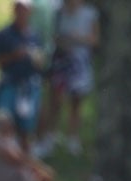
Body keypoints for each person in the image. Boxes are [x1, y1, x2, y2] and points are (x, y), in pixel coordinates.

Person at [0, 0, 44, 150]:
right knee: (4, 123)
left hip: (29, 87)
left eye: (24, 9)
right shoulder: (3, 34)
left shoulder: (35, 35)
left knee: (26, 127)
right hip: (9, 84)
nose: (22, 13)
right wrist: (13, 56)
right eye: (19, 9)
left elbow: (41, 63)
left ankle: (24, 161)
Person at [44, 0, 97, 155]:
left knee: (76, 103)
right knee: (55, 100)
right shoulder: (57, 11)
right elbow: (51, 34)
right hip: (61, 60)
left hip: (79, 63)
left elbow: (95, 39)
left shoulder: (89, 13)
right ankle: (49, 137)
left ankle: (73, 138)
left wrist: (77, 38)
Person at [0, 108, 55, 181]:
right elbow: (17, 160)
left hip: (15, 176)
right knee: (42, 179)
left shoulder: (8, 141)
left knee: (44, 177)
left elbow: (21, 157)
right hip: (5, 180)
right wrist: (39, 169)